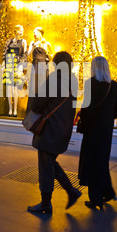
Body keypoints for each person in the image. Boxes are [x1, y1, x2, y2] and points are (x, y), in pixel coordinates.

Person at [27, 51, 81, 214]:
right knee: (49, 163)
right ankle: (71, 192)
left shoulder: (53, 81)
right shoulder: (73, 81)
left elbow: (36, 105)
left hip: (49, 130)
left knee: (45, 166)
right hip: (63, 131)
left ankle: (47, 203)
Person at [78, 56, 117, 210]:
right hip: (106, 130)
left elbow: (87, 108)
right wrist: (108, 117)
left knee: (91, 162)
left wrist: (82, 119)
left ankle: (96, 199)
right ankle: (107, 192)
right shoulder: (114, 86)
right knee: (102, 160)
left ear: (94, 68)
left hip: (92, 129)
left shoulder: (91, 84)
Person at [2, 25, 28, 117]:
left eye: (22, 30)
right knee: (9, 88)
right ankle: (10, 108)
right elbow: (5, 53)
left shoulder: (23, 41)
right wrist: (3, 64)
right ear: (16, 31)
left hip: (17, 64)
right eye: (20, 30)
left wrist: (21, 65)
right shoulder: (9, 41)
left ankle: (15, 109)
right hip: (9, 63)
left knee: (16, 88)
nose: (22, 32)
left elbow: (24, 54)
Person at [26, 27, 53, 112]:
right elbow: (28, 54)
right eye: (33, 32)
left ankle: (43, 108)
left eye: (36, 32)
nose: (34, 34)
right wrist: (34, 46)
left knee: (43, 85)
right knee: (34, 86)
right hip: (35, 64)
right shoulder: (32, 43)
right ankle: (32, 108)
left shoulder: (47, 43)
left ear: (40, 33)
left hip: (43, 65)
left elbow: (52, 56)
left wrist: (45, 48)